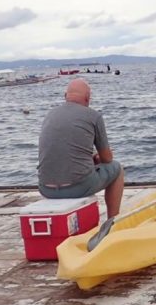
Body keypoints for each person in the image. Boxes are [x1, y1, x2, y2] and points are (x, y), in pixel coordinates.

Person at [38, 78, 124, 218]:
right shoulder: (94, 116)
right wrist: (98, 158)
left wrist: (89, 159)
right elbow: (107, 158)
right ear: (88, 97)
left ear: (65, 96)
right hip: (78, 187)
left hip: (45, 188)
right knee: (117, 168)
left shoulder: (50, 114)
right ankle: (113, 221)